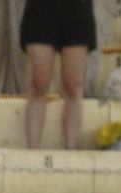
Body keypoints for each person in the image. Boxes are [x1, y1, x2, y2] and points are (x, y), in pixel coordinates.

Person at [21, 0, 95, 149]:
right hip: (40, 9)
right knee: (39, 84)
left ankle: (71, 152)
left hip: (77, 10)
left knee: (73, 86)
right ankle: (33, 153)